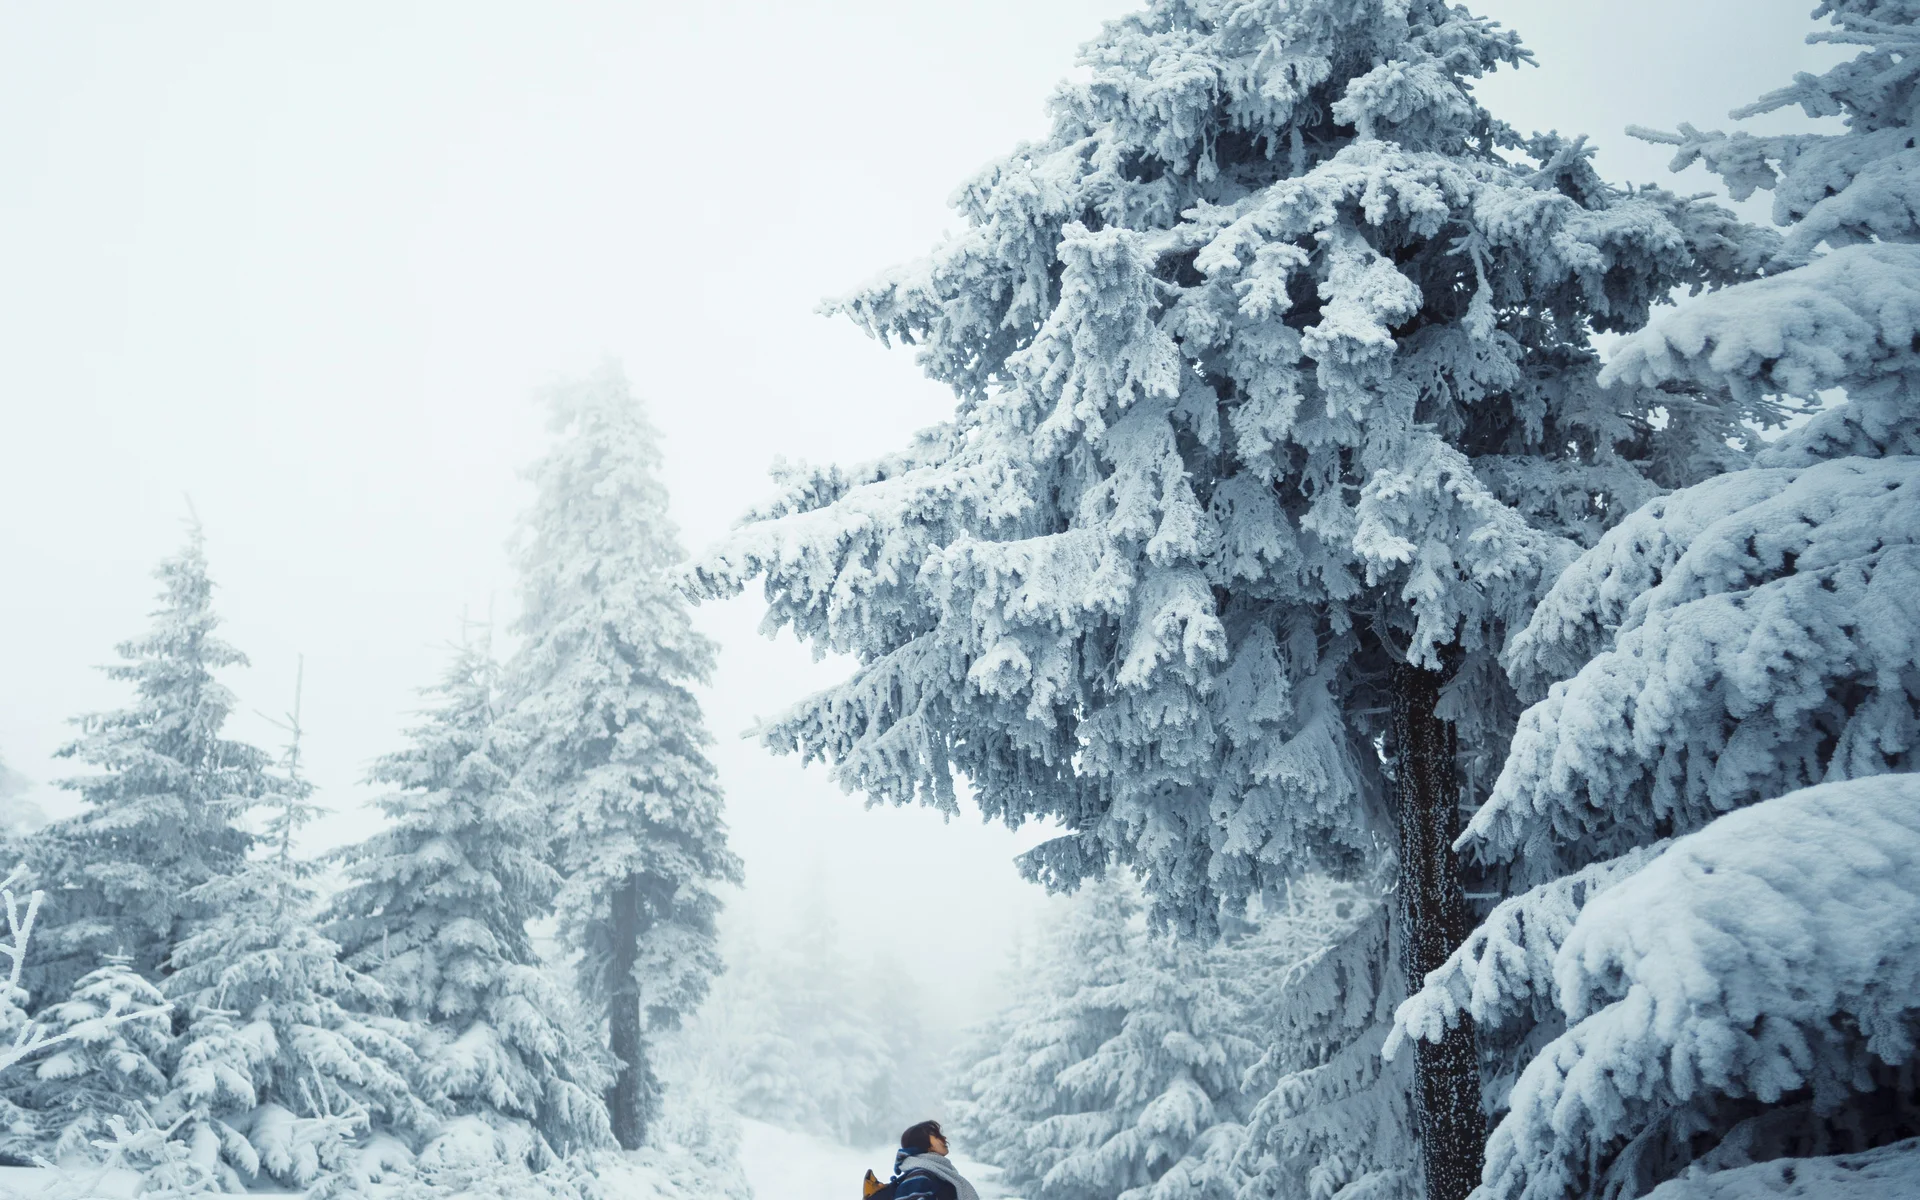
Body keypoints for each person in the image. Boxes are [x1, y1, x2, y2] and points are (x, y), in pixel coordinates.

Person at [887, 1120, 978, 1200]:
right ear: (923, 1143)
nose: (944, 1138)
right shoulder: (919, 1176)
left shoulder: (939, 1173)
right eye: (937, 1136)